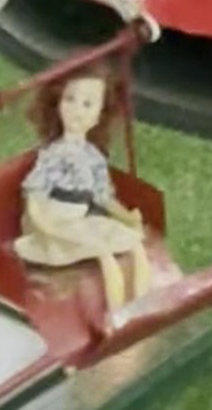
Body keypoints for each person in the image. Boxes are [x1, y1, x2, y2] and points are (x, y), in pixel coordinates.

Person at [16, 71, 153, 317]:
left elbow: (103, 197)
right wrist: (42, 224)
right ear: (58, 104)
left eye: (87, 104)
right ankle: (117, 315)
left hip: (81, 219)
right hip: (56, 219)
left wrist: (127, 216)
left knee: (134, 244)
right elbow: (34, 194)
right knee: (104, 253)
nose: (77, 110)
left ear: (99, 115)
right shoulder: (53, 154)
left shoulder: (94, 157)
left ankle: (142, 305)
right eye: (70, 99)